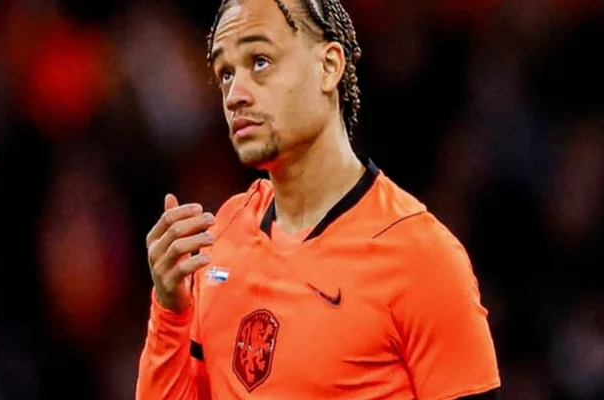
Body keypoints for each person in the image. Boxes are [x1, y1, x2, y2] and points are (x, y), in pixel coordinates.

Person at [135, 0, 502, 398]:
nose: (235, 94)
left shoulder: (420, 257)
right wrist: (170, 311)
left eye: (260, 61)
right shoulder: (222, 235)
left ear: (329, 66)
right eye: (226, 73)